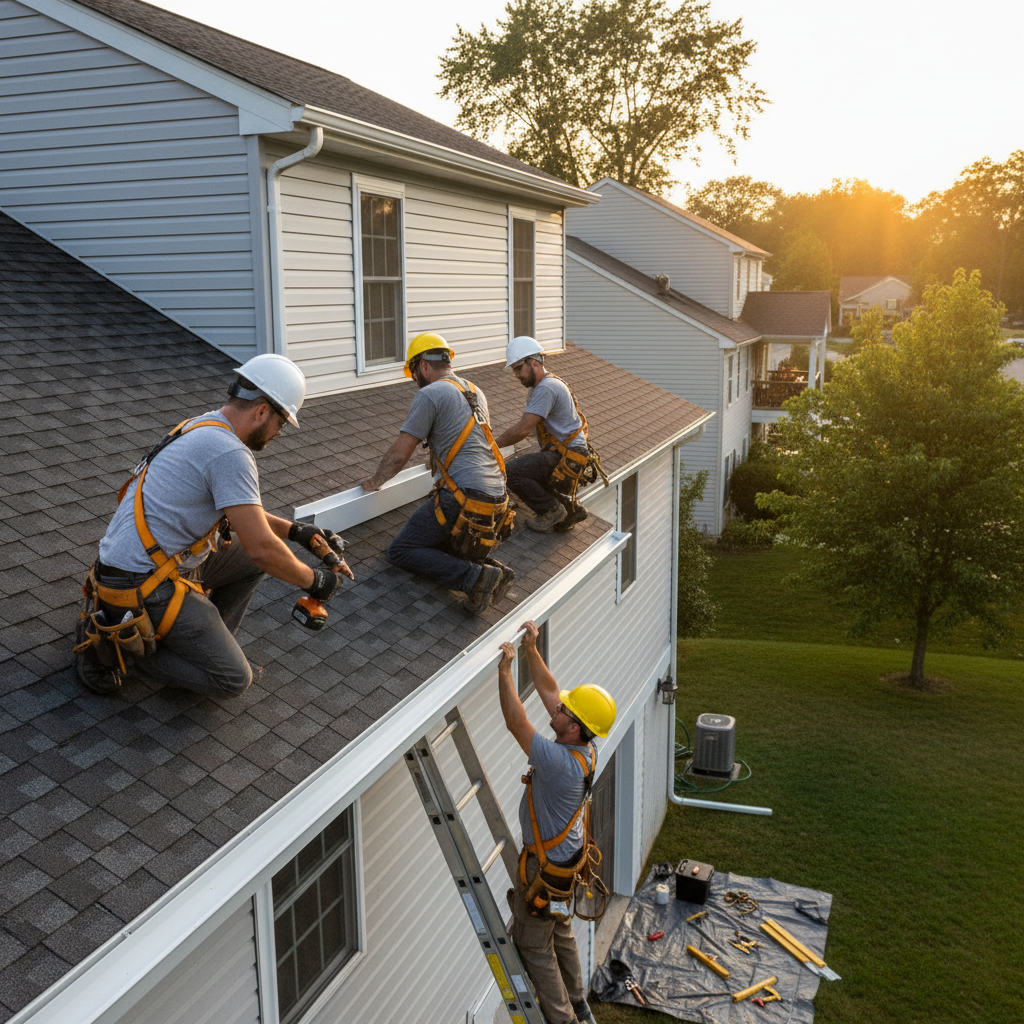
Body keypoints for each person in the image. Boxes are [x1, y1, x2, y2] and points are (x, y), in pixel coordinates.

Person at [74, 354, 353, 696]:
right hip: (141, 585)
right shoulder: (230, 453)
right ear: (262, 411)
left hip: (141, 567)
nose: (281, 431)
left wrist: (297, 531)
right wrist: (317, 581)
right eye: (282, 421)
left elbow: (241, 515)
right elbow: (262, 549)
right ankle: (107, 647)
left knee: (247, 562)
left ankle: (199, 648)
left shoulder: (202, 425)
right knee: (233, 680)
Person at [497, 620, 617, 1024]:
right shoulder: (584, 746)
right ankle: (579, 1002)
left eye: (565, 711)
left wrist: (504, 672)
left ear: (574, 727)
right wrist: (532, 650)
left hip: (542, 868)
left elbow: (516, 723)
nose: (558, 708)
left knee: (534, 944)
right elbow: (551, 693)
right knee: (559, 927)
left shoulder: (559, 763)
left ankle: (565, 1020)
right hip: (564, 865)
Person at [361, 333, 514, 614]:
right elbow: (466, 438)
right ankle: (491, 570)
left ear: (423, 366)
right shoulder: (474, 390)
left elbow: (399, 454)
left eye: (414, 374)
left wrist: (375, 481)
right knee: (438, 541)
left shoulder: (430, 394)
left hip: (463, 497)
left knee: (401, 550)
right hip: (497, 497)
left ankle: (476, 577)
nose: (415, 381)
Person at [493, 337, 593, 533]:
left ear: (535, 363)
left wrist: (492, 445)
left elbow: (523, 429)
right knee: (531, 470)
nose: (516, 375)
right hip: (568, 452)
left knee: (511, 472)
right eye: (514, 369)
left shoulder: (547, 388)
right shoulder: (540, 388)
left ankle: (551, 511)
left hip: (567, 454)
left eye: (518, 368)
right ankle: (572, 511)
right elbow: (531, 429)